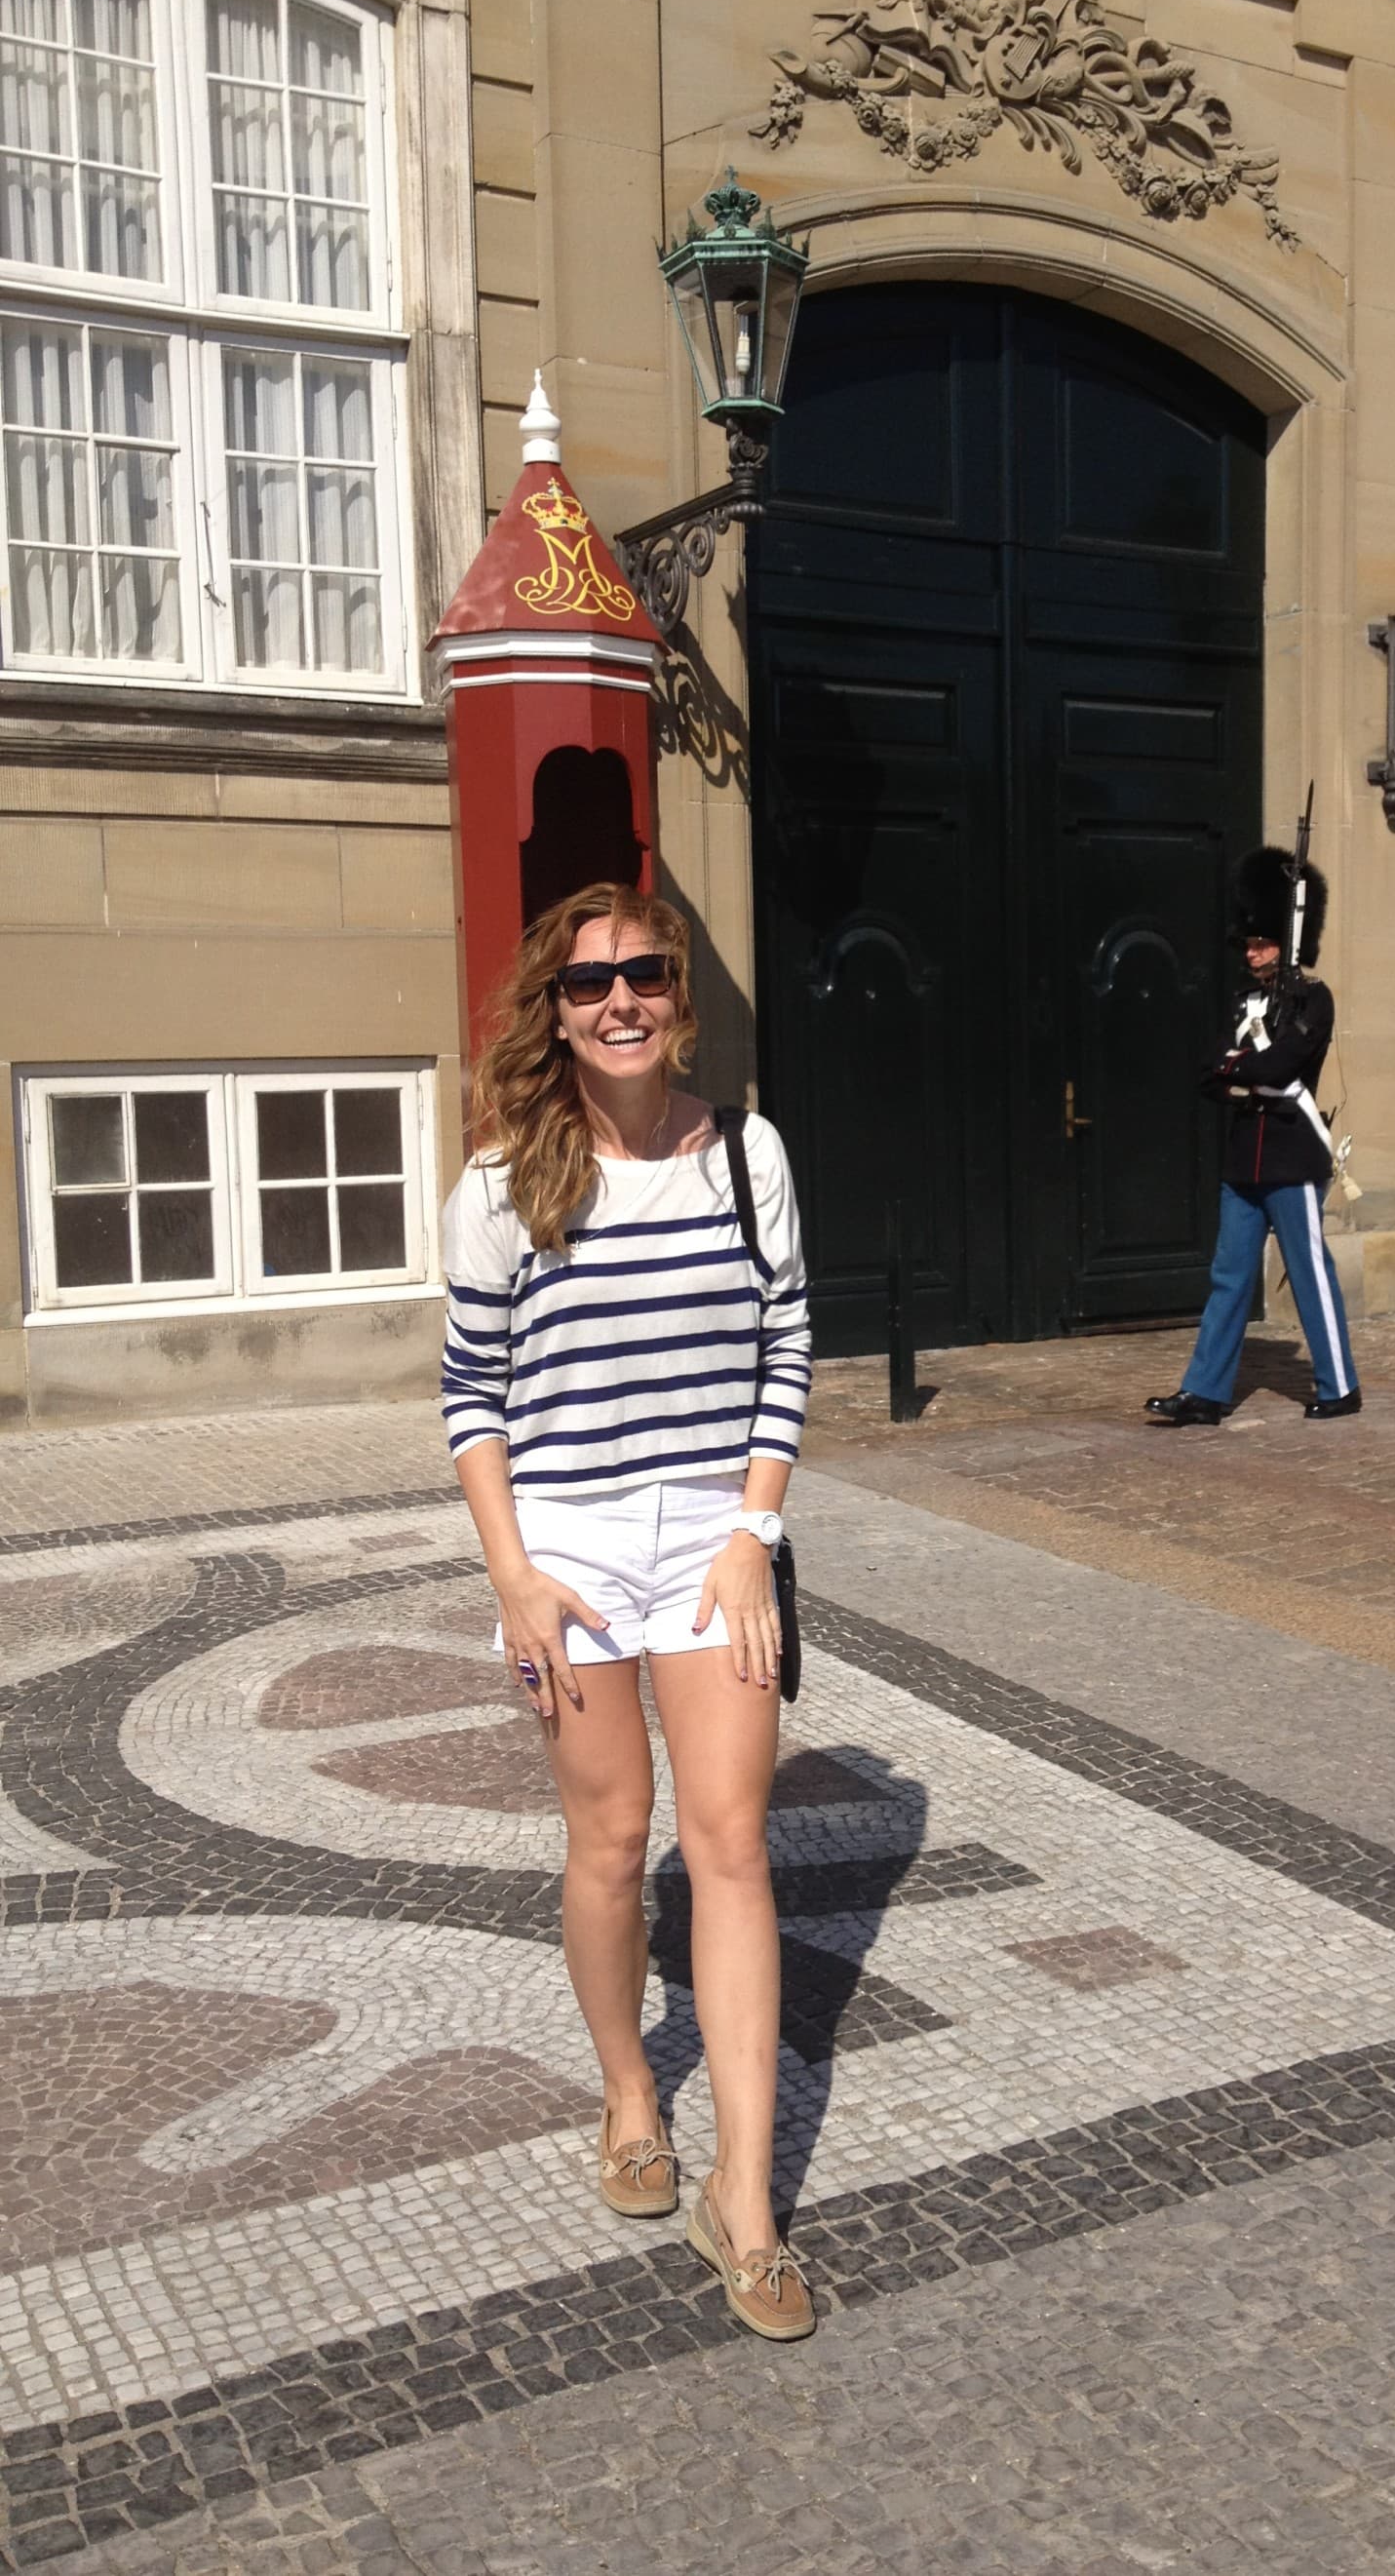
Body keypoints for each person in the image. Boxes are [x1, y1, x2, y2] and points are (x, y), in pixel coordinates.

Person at [440, 880, 817, 2342]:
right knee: (610, 1837)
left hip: (714, 1543)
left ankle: (749, 2196)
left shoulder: (748, 1155)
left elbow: (787, 1339)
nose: (619, 1001)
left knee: (731, 1846)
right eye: (589, 982)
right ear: (555, 1008)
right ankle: (626, 2089)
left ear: (679, 992)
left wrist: (752, 1529)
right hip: (570, 1547)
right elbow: (473, 1395)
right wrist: (515, 1574)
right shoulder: (501, 1185)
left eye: (644, 973)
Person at [1145, 849, 1361, 1427]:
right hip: (1246, 1158)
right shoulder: (1243, 1002)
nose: (1252, 951)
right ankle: (1206, 1392)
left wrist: (1237, 1069)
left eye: (1262, 942)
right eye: (1248, 943)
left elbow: (1282, 1067)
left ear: (1286, 943)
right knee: (1229, 1277)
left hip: (1293, 1155)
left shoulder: (1313, 999)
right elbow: (1206, 1072)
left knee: (1311, 1276)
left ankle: (1339, 1384)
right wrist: (1240, 1070)